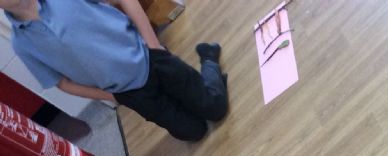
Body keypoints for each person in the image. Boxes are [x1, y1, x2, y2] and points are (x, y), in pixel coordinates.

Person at [2, 0, 228, 142]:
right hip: (128, 93)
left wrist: (153, 45)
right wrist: (111, 96)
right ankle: (189, 102)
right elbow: (62, 83)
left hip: (151, 59)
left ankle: (208, 59)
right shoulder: (22, 45)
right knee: (194, 132)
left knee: (215, 108)